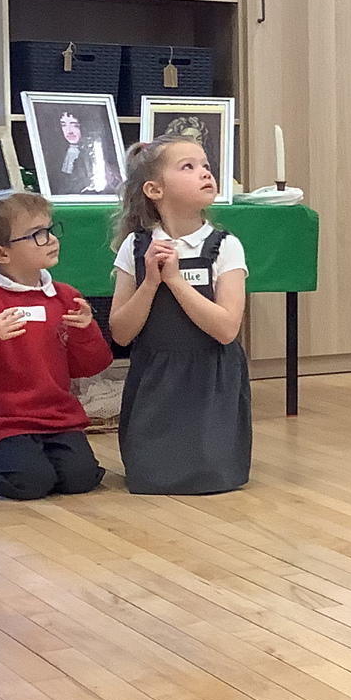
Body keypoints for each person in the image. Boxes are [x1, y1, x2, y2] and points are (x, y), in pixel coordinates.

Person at [108, 138, 252, 493]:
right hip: (156, 378)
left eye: (205, 165)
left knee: (213, 475)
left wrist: (174, 281)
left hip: (210, 378)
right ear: (154, 190)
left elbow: (226, 329)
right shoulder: (136, 247)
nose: (205, 173)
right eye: (188, 166)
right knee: (150, 476)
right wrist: (150, 283)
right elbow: (121, 332)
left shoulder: (226, 246)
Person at [0, 192, 112, 500]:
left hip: (58, 417)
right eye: (37, 234)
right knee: (28, 483)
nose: (51, 239)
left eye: (50, 229)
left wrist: (85, 330)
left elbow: (92, 366)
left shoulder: (65, 296)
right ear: (1, 254)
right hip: (2, 422)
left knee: (81, 478)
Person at [54, 108, 117, 197]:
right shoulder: (58, 155)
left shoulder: (95, 155)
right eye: (64, 125)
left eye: (75, 125)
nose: (69, 131)